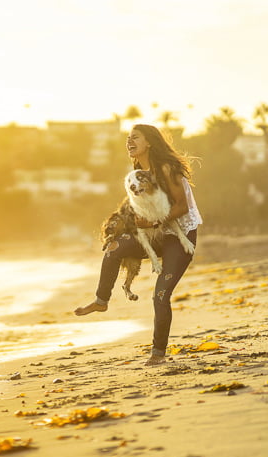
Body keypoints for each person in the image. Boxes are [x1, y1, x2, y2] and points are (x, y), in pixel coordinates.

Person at [73, 124, 202, 366]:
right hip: (154, 235)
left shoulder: (166, 168)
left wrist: (153, 221)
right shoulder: (137, 171)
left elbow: (182, 207)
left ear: (149, 142)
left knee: (160, 296)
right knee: (115, 247)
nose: (129, 141)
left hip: (181, 235)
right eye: (128, 138)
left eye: (135, 137)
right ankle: (101, 300)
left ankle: (158, 353)